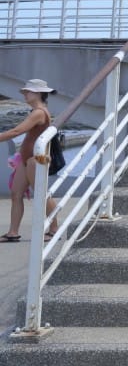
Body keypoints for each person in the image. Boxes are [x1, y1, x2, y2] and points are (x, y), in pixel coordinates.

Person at [2, 79, 59, 243]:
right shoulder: (36, 111)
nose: (25, 94)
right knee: (16, 194)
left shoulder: (39, 112)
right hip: (26, 159)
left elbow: (17, 131)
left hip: (36, 160)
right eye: (26, 91)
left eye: (29, 91)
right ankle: (13, 232)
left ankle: (54, 228)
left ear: (39, 93)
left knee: (42, 194)